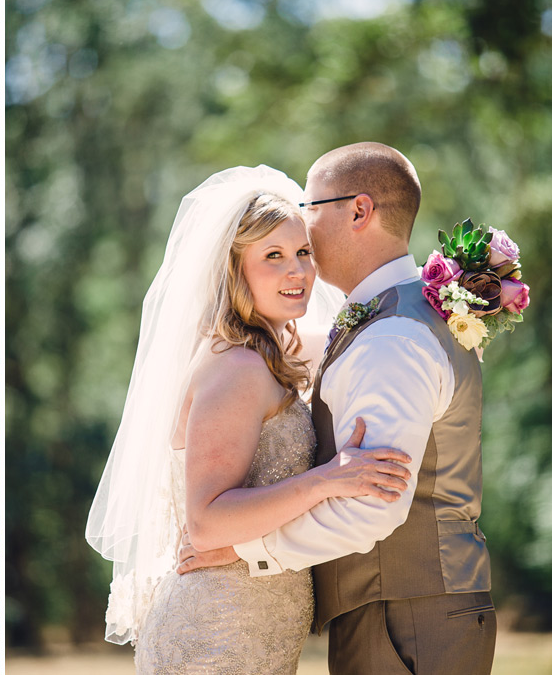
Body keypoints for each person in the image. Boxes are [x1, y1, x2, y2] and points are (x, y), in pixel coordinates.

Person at [181, 143, 496, 675]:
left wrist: (248, 551)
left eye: (310, 208)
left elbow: (374, 503)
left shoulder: (392, 337)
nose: (304, 230)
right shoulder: (395, 318)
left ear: (358, 210)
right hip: (401, 610)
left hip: (405, 617)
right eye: (274, 253)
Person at [87, 166, 413, 673]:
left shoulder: (273, 351)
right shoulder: (236, 368)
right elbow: (207, 520)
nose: (298, 272)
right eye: (273, 257)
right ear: (235, 270)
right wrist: (325, 480)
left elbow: (358, 336)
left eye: (304, 252)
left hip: (254, 627)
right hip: (216, 634)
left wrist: (454, 296)